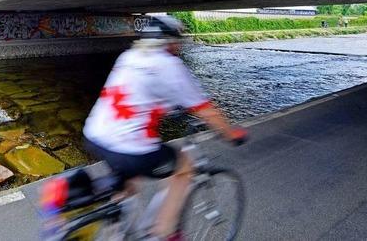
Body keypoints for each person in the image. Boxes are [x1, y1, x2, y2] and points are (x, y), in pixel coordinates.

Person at [82, 15, 248, 240]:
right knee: (185, 168)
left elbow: (141, 94)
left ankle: (115, 231)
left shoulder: (128, 56)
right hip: (131, 147)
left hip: (95, 135)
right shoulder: (169, 64)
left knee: (128, 183)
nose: (178, 46)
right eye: (177, 41)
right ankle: (166, 232)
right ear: (168, 42)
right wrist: (231, 133)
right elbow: (206, 110)